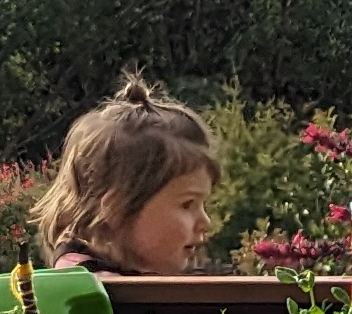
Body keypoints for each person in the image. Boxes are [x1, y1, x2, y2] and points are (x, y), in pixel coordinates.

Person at [33, 75, 223, 275]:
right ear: (116, 207)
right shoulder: (92, 293)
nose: (206, 222)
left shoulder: (127, 283)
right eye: (187, 204)